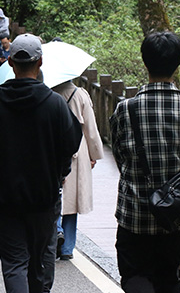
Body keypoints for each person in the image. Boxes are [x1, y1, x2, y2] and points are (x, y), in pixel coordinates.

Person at [0, 33, 82, 292]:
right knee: (41, 261)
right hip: (43, 196)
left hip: (5, 197)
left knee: (14, 263)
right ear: (40, 62)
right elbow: (71, 143)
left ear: (10, 63)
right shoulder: (55, 104)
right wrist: (60, 171)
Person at [110, 31, 180, 293]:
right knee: (169, 278)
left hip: (134, 213)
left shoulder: (125, 109)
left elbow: (118, 153)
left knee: (135, 276)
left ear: (145, 62)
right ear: (178, 65)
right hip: (174, 216)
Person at [52, 80, 104, 260]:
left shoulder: (49, 94)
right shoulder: (80, 95)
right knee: (72, 200)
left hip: (53, 148)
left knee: (55, 196)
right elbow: (90, 128)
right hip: (77, 148)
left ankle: (55, 235)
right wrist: (94, 154)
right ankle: (67, 248)